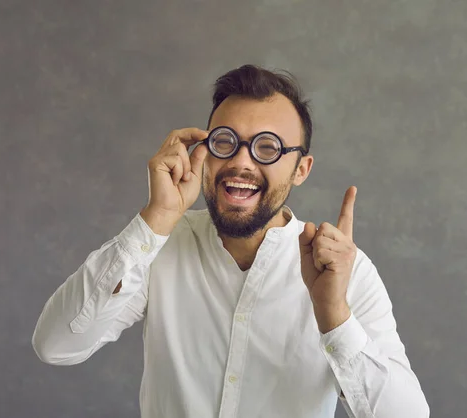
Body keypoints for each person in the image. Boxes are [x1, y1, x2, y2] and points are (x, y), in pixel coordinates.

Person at [32, 64, 430, 418]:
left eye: (268, 148)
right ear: (202, 151)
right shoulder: (160, 244)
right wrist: (157, 219)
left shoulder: (347, 273)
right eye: (225, 142)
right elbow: (56, 345)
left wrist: (334, 315)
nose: (242, 162)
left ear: (301, 169)